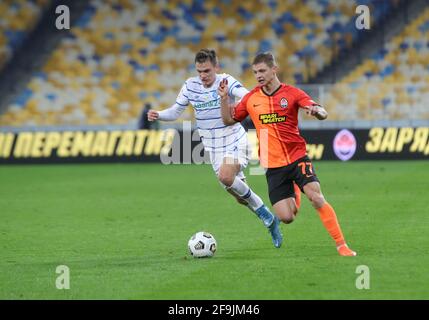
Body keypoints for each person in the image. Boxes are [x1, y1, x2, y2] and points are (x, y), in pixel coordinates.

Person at [218, 52, 356, 256]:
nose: (258, 75)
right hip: (273, 166)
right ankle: (294, 189)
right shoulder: (251, 99)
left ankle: (341, 245)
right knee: (286, 217)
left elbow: (320, 111)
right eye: (255, 72)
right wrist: (223, 99)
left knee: (316, 197)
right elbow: (228, 120)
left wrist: (317, 112)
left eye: (262, 70)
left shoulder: (292, 93)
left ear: (275, 70)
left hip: (297, 157)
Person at [147, 49, 283, 248]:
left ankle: (265, 215)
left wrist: (239, 104)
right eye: (199, 71)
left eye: (207, 71)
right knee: (240, 198)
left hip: (235, 139)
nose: (203, 76)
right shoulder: (190, 85)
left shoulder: (226, 81)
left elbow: (247, 96)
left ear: (216, 68)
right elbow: (175, 111)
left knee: (225, 176)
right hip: (214, 147)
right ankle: (271, 220)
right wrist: (158, 114)